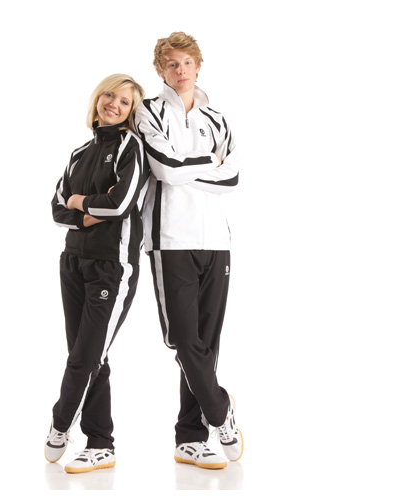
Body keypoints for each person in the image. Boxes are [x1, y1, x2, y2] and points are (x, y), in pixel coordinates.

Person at [135, 32, 243, 469]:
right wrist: (208, 162)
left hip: (216, 240)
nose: (180, 71)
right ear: (160, 70)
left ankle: (190, 438)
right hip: (170, 239)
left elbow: (233, 176)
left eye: (186, 63)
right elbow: (163, 168)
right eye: (171, 64)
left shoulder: (217, 117)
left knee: (207, 343)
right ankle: (219, 409)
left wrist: (186, 168)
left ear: (198, 66)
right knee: (183, 339)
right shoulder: (148, 111)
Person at [44, 74, 148, 474]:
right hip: (72, 262)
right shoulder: (79, 152)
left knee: (87, 355)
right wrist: (85, 212)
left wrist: (80, 203)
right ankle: (101, 443)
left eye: (124, 102)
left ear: (131, 112)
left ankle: (60, 422)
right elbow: (57, 208)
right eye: (109, 95)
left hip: (113, 265)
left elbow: (120, 203)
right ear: (98, 98)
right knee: (88, 354)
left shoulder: (131, 147)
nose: (114, 105)